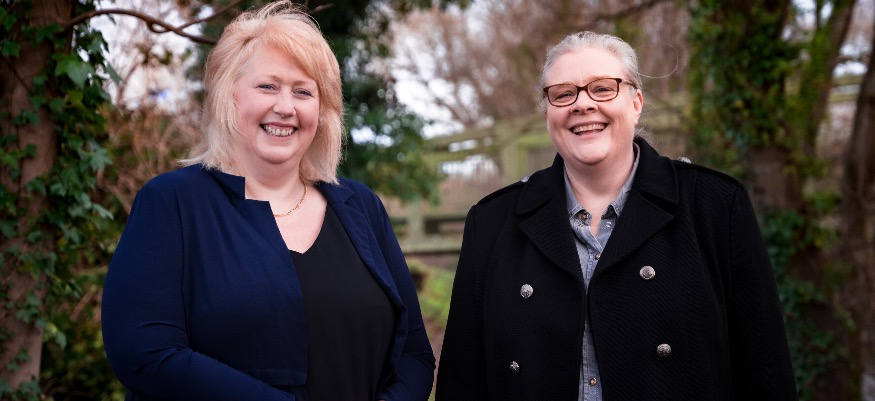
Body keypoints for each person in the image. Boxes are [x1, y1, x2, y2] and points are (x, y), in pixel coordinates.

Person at [435, 31, 797, 401]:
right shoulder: (491, 222)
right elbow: (461, 381)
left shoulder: (715, 206)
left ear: (636, 102)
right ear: (548, 113)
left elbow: (765, 371)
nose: (582, 104)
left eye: (603, 89)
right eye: (563, 94)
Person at [101, 2, 434, 400]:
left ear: (323, 110)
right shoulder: (171, 204)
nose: (285, 107)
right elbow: (145, 354)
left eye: (303, 92)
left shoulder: (361, 206)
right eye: (267, 87)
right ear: (229, 95)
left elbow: (414, 355)